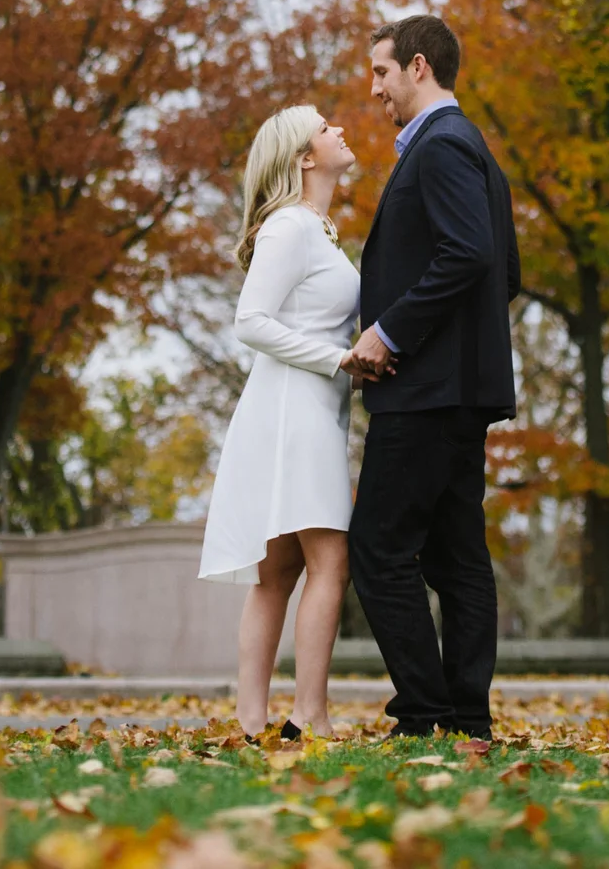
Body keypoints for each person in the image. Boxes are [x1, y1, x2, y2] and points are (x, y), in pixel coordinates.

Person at [342, 13, 520, 741]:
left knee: (378, 549)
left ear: (419, 67)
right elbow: (503, 272)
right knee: (455, 556)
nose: (375, 87)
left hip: (424, 393)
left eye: (381, 71)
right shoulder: (474, 147)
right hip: (460, 391)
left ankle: (424, 712)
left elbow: (471, 256)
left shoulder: (441, 146)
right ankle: (467, 716)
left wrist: (391, 332)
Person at [197, 103, 373, 740]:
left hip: (305, 409)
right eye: (327, 128)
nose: (341, 129)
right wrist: (340, 359)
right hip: (292, 411)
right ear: (304, 157)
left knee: (278, 573)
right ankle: (310, 714)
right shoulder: (289, 228)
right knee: (331, 563)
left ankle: (251, 724)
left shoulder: (315, 229)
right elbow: (250, 322)